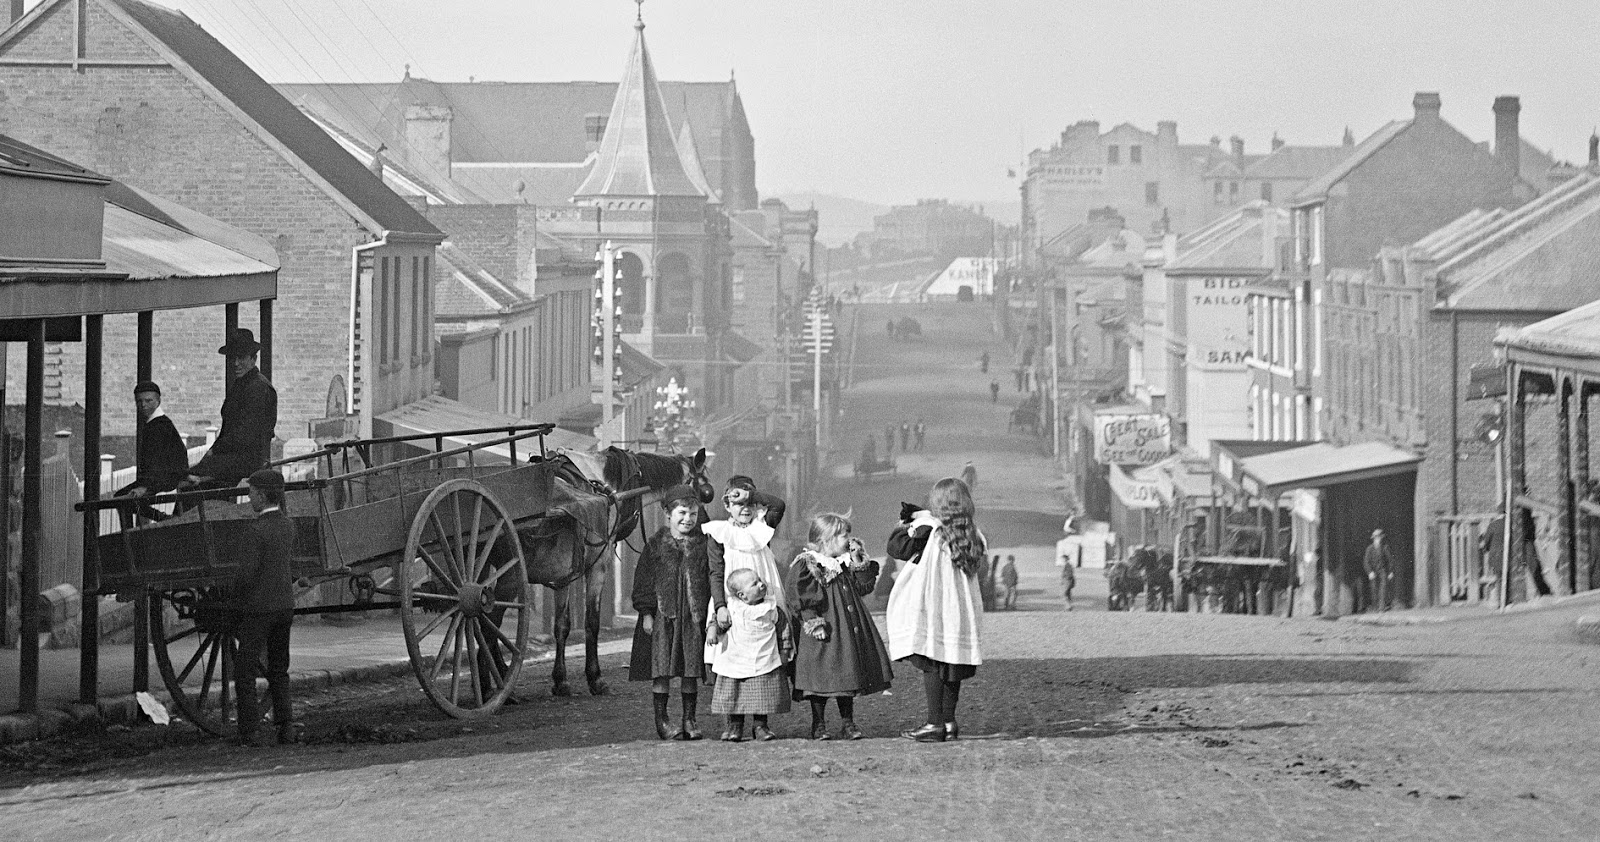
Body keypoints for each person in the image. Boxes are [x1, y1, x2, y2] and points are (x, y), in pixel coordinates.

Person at [886, 477, 985, 743]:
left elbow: (896, 548)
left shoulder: (929, 530)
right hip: (960, 612)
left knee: (931, 662)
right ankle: (949, 721)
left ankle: (934, 722)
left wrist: (908, 522)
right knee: (952, 663)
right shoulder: (973, 535)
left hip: (933, 607)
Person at [787, 512, 892, 740]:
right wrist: (813, 621)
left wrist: (858, 560)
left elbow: (864, 588)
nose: (849, 539)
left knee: (847, 671)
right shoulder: (809, 564)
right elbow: (799, 595)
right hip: (825, 627)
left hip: (845, 626)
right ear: (826, 539)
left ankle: (848, 722)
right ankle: (818, 723)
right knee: (820, 674)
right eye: (844, 535)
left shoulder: (844, 563)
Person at [630, 485, 724, 740]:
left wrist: (711, 618)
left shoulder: (703, 544)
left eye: (693, 514)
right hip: (664, 617)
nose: (688, 519)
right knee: (661, 669)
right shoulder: (655, 545)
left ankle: (689, 719)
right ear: (668, 514)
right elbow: (643, 582)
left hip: (692, 618)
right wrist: (646, 613)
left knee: (690, 669)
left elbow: (711, 579)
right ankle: (662, 720)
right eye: (682, 513)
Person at [230, 468, 298, 747]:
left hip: (259, 609)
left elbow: (246, 575)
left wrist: (234, 597)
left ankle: (250, 732)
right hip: (284, 607)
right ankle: (286, 729)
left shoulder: (255, 531)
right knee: (279, 668)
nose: (249, 497)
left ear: (261, 495)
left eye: (251, 492)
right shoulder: (288, 526)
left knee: (244, 671)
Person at [703, 476, 786, 673]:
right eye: (739, 504)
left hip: (764, 590)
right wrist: (720, 606)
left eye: (750, 504)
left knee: (769, 638)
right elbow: (716, 572)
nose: (746, 509)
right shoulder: (720, 533)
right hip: (731, 597)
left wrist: (749, 495)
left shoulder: (762, 527)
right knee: (733, 644)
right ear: (727, 506)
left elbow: (779, 505)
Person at [182, 329, 277, 494]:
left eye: (241, 358)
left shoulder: (258, 388)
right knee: (189, 477)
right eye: (233, 358)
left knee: (189, 482)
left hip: (246, 460)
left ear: (253, 359)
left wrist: (215, 451)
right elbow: (228, 429)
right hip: (233, 457)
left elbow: (245, 434)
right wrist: (212, 453)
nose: (236, 363)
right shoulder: (242, 385)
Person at [711, 569, 794, 742]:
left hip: (763, 657)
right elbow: (718, 621)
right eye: (754, 584)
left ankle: (760, 725)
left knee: (762, 693)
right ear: (742, 595)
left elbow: (783, 629)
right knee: (735, 693)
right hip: (736, 659)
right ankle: (735, 725)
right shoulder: (732, 608)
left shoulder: (771, 608)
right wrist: (713, 630)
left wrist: (784, 650)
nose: (761, 584)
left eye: (760, 580)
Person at [113, 380, 189, 522]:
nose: (143, 405)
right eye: (139, 401)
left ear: (158, 401)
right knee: (122, 498)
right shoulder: (155, 423)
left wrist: (145, 486)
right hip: (162, 475)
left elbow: (157, 459)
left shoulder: (159, 425)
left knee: (122, 498)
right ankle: (161, 519)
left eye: (148, 401)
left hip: (164, 477)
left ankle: (161, 520)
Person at [1363, 528, 1395, 612]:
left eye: (1379, 537)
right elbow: (1366, 562)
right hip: (1373, 572)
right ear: (1373, 538)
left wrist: (1390, 571)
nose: (1378, 539)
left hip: (1382, 571)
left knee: (1383, 589)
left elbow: (1390, 560)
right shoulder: (1369, 549)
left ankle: (1381, 608)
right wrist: (1370, 572)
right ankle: (1375, 607)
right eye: (1376, 537)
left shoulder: (1385, 547)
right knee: (1374, 589)